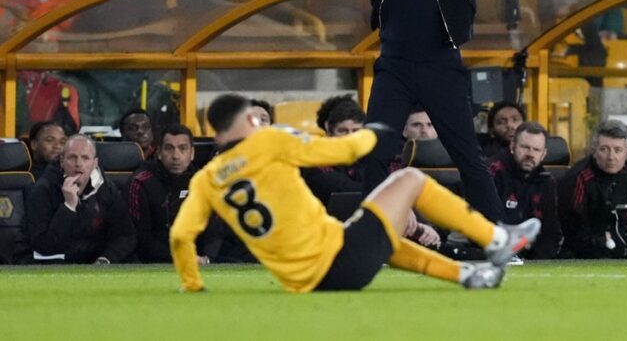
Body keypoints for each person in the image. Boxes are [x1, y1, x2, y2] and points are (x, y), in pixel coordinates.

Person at [290, 0, 536, 222]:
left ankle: (495, 236)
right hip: (395, 67)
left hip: (442, 65)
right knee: (376, 153)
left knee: (467, 155)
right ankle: (373, 235)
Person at [169, 93, 540, 291]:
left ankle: (468, 276)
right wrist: (374, 133)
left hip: (307, 281)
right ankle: (497, 238)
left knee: (384, 240)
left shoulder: (205, 179)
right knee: (408, 179)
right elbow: (342, 150)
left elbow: (181, 237)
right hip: (339, 260)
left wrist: (192, 283)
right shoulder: (267, 142)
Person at [557, 120, 627, 259]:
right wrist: (602, 240)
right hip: (589, 250)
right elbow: (571, 228)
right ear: (594, 151)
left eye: (617, 150)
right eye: (604, 149)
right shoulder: (578, 178)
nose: (611, 157)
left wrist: (626, 243)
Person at [26, 134, 136, 264]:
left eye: (85, 158)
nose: (78, 164)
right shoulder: (43, 189)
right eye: (72, 157)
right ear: (62, 161)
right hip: (50, 265)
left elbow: (125, 235)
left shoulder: (106, 189)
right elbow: (44, 246)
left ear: (95, 163)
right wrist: (68, 207)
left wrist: (106, 258)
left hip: (93, 264)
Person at [128, 124, 209, 263]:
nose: (176, 156)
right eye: (169, 149)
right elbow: (140, 237)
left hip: (200, 260)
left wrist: (207, 258)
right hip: (152, 262)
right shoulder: (141, 182)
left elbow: (214, 231)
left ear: (192, 153)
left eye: (183, 149)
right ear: (159, 153)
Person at [487, 122, 562, 259]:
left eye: (536, 150)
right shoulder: (493, 172)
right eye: (525, 147)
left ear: (543, 154)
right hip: (487, 250)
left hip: (531, 257)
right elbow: (484, 221)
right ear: (512, 146)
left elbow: (551, 230)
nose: (530, 154)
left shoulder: (547, 182)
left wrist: (538, 259)